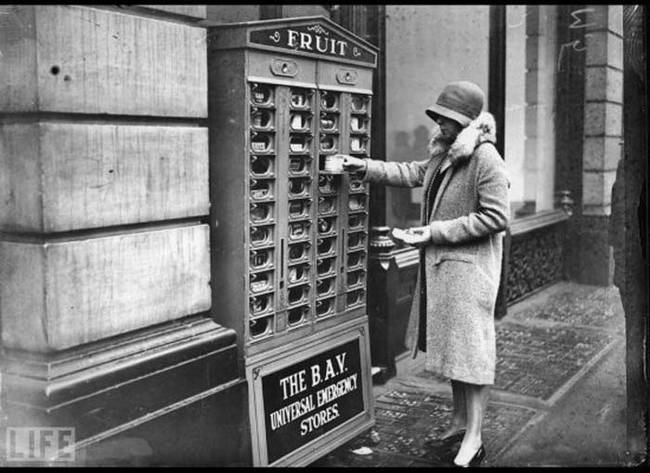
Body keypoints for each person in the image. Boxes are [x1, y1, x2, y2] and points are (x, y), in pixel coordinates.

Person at [337, 81, 510, 467]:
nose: (439, 125)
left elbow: (498, 217)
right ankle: (458, 423)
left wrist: (434, 231)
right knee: (455, 356)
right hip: (445, 274)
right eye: (438, 117)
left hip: (469, 276)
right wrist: (361, 167)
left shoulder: (486, 159)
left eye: (447, 119)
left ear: (467, 123)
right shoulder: (445, 154)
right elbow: (410, 172)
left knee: (472, 358)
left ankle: (475, 438)